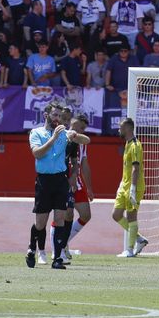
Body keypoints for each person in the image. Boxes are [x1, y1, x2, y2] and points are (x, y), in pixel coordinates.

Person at [27, 102, 88, 268]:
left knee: (60, 218)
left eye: (60, 116)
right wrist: (53, 138)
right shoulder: (36, 132)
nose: (58, 119)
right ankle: (32, 248)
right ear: (46, 115)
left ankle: (57, 259)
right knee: (40, 223)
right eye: (55, 115)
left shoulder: (64, 133)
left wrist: (75, 135)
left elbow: (86, 140)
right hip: (44, 181)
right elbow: (37, 153)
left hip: (61, 180)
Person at [111, 117, 148, 258]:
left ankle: (130, 250)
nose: (119, 130)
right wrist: (122, 184)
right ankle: (139, 239)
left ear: (128, 128)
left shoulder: (136, 145)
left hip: (134, 186)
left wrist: (132, 188)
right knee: (116, 215)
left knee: (131, 216)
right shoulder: (127, 143)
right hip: (124, 185)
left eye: (121, 127)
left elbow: (135, 169)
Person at [62, 111, 96, 260]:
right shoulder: (61, 135)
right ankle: (56, 248)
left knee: (86, 215)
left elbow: (84, 164)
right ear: (71, 122)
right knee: (63, 215)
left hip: (77, 182)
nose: (80, 130)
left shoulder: (81, 142)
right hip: (62, 180)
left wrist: (89, 188)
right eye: (79, 126)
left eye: (83, 128)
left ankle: (63, 242)